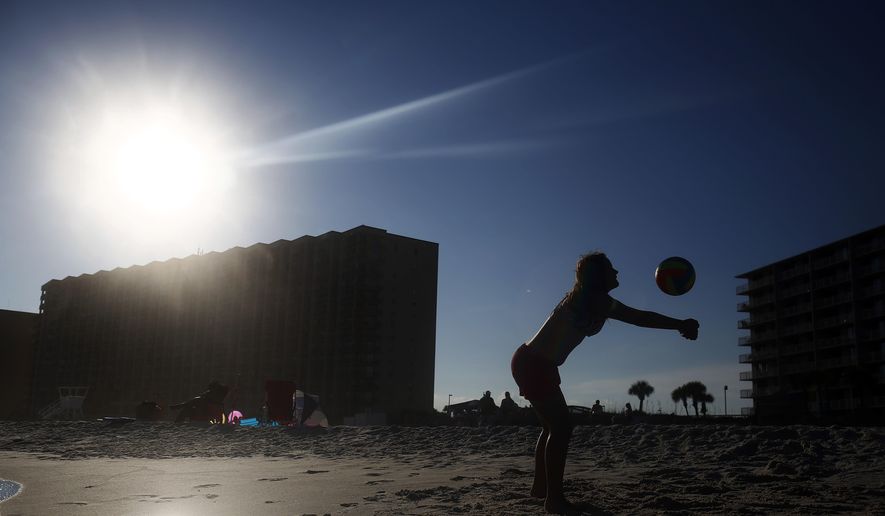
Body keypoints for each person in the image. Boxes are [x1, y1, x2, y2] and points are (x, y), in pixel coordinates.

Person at [511, 252, 698, 514]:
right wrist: (680, 323)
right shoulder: (596, 300)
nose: (617, 272)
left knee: (552, 427)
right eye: (611, 268)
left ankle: (542, 490)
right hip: (534, 363)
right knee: (561, 428)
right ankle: (554, 500)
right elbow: (640, 317)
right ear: (599, 276)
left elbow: (637, 316)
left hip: (536, 362)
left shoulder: (591, 299)